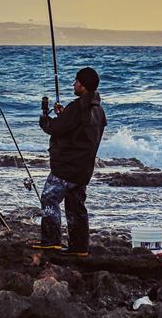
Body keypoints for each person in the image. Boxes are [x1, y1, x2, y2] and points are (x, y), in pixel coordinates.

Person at [33, 66, 107, 255]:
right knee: (75, 206)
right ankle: (79, 247)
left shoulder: (77, 108)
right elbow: (78, 129)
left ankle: (50, 242)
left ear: (83, 86)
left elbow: (55, 128)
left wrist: (44, 119)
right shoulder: (98, 110)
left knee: (49, 198)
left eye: (76, 81)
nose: (74, 84)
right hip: (83, 170)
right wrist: (64, 114)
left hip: (66, 167)